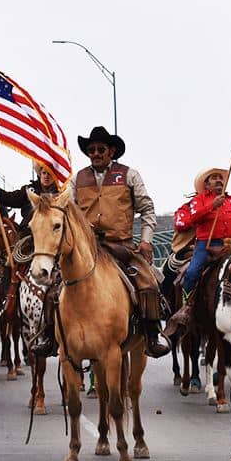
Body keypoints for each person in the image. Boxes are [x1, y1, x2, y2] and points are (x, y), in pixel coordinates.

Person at [59, 126, 169, 358]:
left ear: (112, 151)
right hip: (87, 249)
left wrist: (146, 241)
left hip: (122, 247)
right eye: (91, 150)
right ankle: (51, 335)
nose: (96, 153)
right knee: (53, 286)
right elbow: (63, 205)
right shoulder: (76, 179)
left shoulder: (129, 175)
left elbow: (147, 209)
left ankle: (152, 335)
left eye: (101, 149)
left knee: (148, 282)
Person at [0, 164, 62, 353]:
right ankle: (10, 299)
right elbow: (9, 198)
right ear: (38, 174)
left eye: (49, 174)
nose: (46, 177)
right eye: (43, 173)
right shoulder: (30, 190)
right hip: (29, 239)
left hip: (52, 239)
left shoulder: (62, 193)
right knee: (11, 262)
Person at [164, 167, 231, 334]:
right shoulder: (199, 200)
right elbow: (190, 219)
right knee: (192, 272)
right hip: (206, 244)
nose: (218, 180)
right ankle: (187, 306)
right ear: (206, 184)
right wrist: (211, 206)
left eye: (220, 178)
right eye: (213, 178)